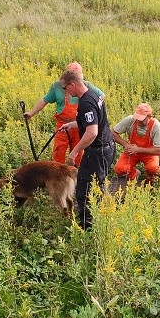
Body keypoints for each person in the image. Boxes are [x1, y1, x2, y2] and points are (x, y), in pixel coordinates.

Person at [58, 69, 115, 229]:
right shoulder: (94, 95)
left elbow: (92, 132)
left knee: (85, 188)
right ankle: (100, 218)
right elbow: (93, 122)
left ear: (73, 84)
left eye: (65, 88)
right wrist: (72, 124)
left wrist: (75, 151)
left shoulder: (85, 103)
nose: (66, 92)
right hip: (105, 148)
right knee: (97, 185)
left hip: (98, 151)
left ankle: (88, 227)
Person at [23, 62, 104, 167]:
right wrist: (31, 113)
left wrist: (92, 112)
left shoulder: (85, 86)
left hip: (79, 125)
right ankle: (58, 174)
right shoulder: (57, 86)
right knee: (59, 150)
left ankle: (76, 175)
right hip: (62, 124)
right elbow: (45, 100)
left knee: (78, 152)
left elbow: (101, 96)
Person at [112, 103, 160, 185]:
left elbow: (159, 151)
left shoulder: (156, 126)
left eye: (142, 119)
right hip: (132, 151)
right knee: (119, 169)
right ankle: (135, 174)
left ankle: (149, 181)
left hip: (149, 153)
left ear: (149, 116)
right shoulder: (130, 120)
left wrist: (138, 149)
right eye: (137, 118)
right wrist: (126, 145)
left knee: (153, 169)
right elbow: (113, 133)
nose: (138, 121)